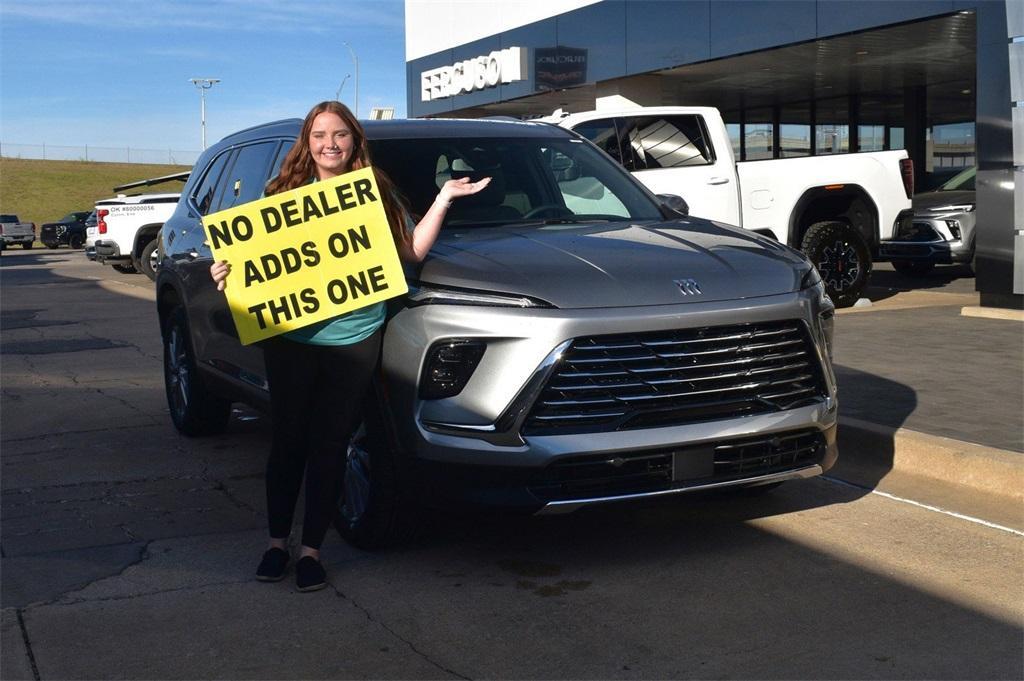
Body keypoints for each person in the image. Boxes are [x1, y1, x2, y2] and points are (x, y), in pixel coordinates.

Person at [210, 101, 490, 591]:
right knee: (289, 441)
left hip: (356, 336)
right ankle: (277, 544)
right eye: (320, 135)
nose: (330, 144)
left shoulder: (375, 191)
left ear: (354, 140)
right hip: (292, 337)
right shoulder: (285, 193)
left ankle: (312, 551)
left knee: (331, 443)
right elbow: (252, 260)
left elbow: (412, 253)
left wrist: (443, 198)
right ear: (308, 141)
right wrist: (227, 273)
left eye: (340, 134)